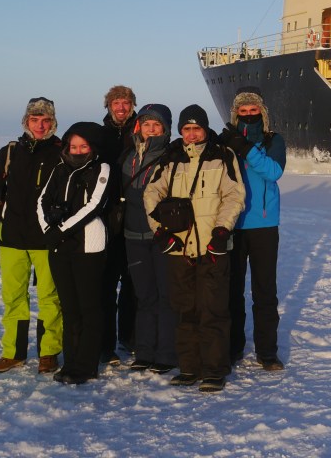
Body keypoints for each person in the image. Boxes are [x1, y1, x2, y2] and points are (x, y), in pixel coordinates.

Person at [143, 104, 244, 393]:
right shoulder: (171, 156)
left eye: (196, 128)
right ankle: (189, 366)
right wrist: (160, 231)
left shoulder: (222, 155)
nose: (191, 134)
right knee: (184, 309)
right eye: (186, 129)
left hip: (212, 246)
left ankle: (214, 369)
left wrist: (222, 230)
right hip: (179, 247)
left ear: (205, 129)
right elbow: (152, 193)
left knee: (213, 309)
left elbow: (234, 195)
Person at [0, 97, 64, 375]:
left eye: (45, 120)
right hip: (11, 238)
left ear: (53, 123)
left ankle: (49, 352)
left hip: (46, 239)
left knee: (50, 298)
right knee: (13, 298)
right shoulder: (10, 152)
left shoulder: (61, 153)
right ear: (26, 122)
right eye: (35, 120)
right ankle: (13, 353)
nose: (40, 125)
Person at [37, 122, 113, 384]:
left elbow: (94, 205)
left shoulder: (101, 168)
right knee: (69, 307)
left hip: (88, 245)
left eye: (84, 146)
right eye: (74, 146)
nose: (78, 151)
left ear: (93, 148)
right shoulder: (60, 169)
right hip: (60, 246)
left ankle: (86, 365)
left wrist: (60, 230)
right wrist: (48, 228)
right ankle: (70, 362)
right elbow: (42, 200)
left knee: (89, 307)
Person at [218, 88, 286, 371]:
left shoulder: (273, 140)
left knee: (264, 291)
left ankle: (267, 352)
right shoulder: (224, 141)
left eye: (253, 110)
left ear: (262, 112)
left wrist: (245, 148)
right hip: (232, 224)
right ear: (235, 114)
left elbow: (273, 172)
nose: (248, 114)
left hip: (264, 226)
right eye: (243, 111)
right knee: (232, 290)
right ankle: (233, 347)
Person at [121, 103, 178, 374]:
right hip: (133, 235)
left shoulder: (172, 157)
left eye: (157, 125)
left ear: (165, 129)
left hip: (162, 235)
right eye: (146, 124)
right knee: (144, 296)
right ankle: (144, 351)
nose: (151, 129)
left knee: (166, 295)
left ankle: (166, 353)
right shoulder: (128, 157)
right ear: (138, 127)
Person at [100, 84, 138, 364]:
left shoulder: (142, 131)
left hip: (135, 215)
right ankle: (106, 343)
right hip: (106, 216)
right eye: (116, 103)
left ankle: (129, 335)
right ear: (109, 106)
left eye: (125, 103)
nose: (121, 108)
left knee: (132, 282)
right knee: (106, 282)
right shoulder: (100, 134)